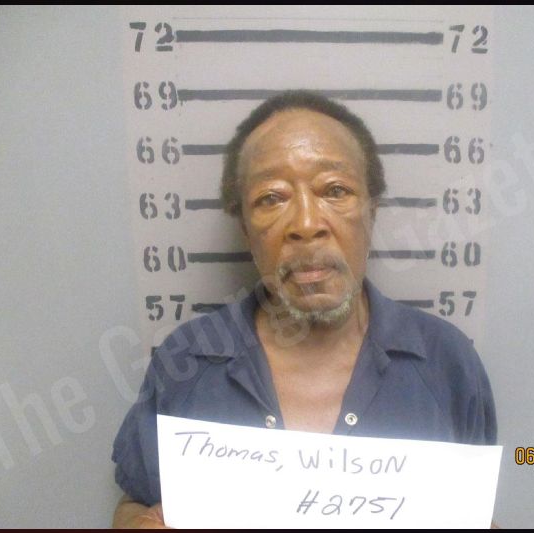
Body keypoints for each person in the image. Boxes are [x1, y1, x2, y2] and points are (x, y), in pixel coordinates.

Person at [111, 90, 497, 528]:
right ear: (245, 228)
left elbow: (476, 512)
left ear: (371, 211)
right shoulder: (185, 361)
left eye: (335, 190)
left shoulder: (448, 362)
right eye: (271, 198)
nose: (306, 225)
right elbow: (135, 503)